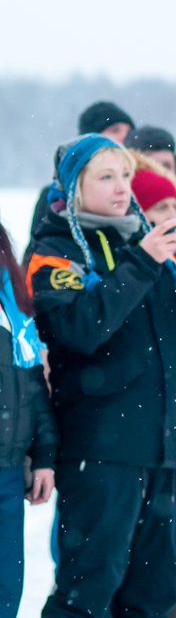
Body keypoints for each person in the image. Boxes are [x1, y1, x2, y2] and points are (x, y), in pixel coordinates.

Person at [28, 134, 176, 617]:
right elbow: (79, 328)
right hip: (103, 450)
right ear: (75, 186)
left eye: (125, 175)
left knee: (154, 595)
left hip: (169, 448)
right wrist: (142, 261)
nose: (122, 187)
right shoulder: (57, 249)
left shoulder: (149, 242)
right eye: (106, 177)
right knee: (88, 589)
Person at [0, 218, 57, 618]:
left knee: (6, 591)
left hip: (8, 474)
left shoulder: (15, 314)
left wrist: (44, 457)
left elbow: (36, 392)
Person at [27, 100, 136, 246]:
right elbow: (35, 252)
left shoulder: (136, 230)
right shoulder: (57, 199)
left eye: (126, 175)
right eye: (115, 130)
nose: (125, 138)